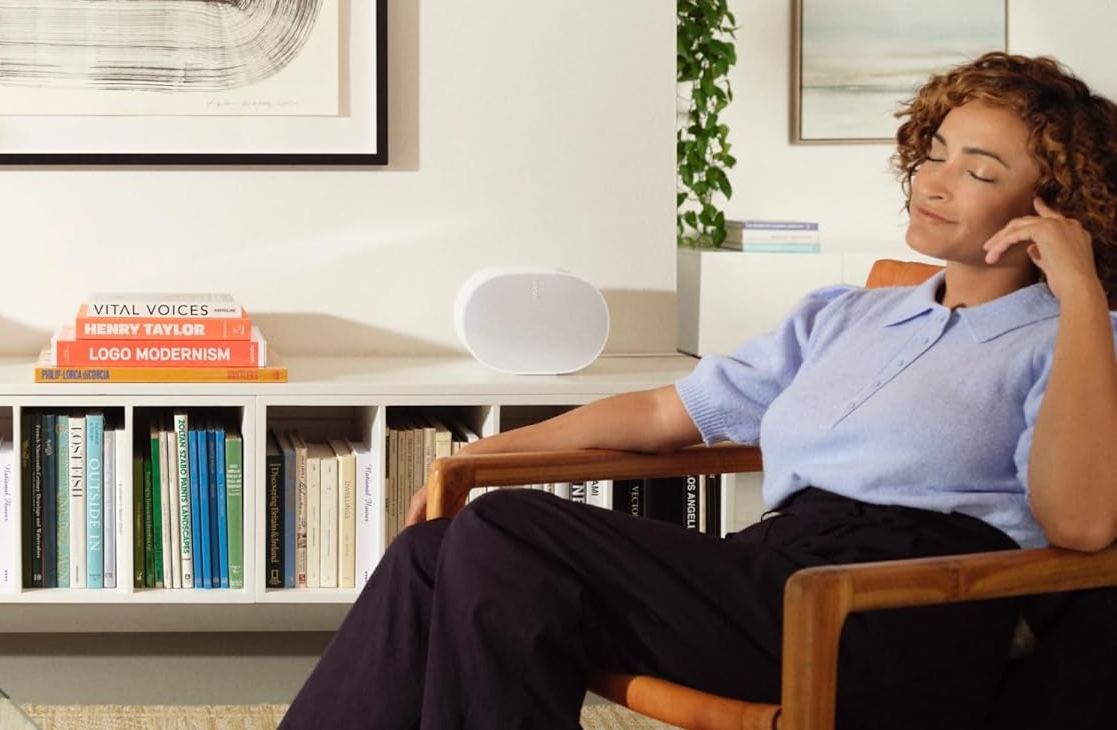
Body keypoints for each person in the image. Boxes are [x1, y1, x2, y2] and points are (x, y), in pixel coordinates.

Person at [276, 51, 1117, 730]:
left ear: (1055, 204)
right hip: (768, 573)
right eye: (934, 152)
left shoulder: (1081, 341)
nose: (932, 180)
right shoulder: (847, 314)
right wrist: (479, 454)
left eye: (977, 170)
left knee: (504, 532)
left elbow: (1083, 525)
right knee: (433, 554)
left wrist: (1079, 292)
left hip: (888, 612)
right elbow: (660, 413)